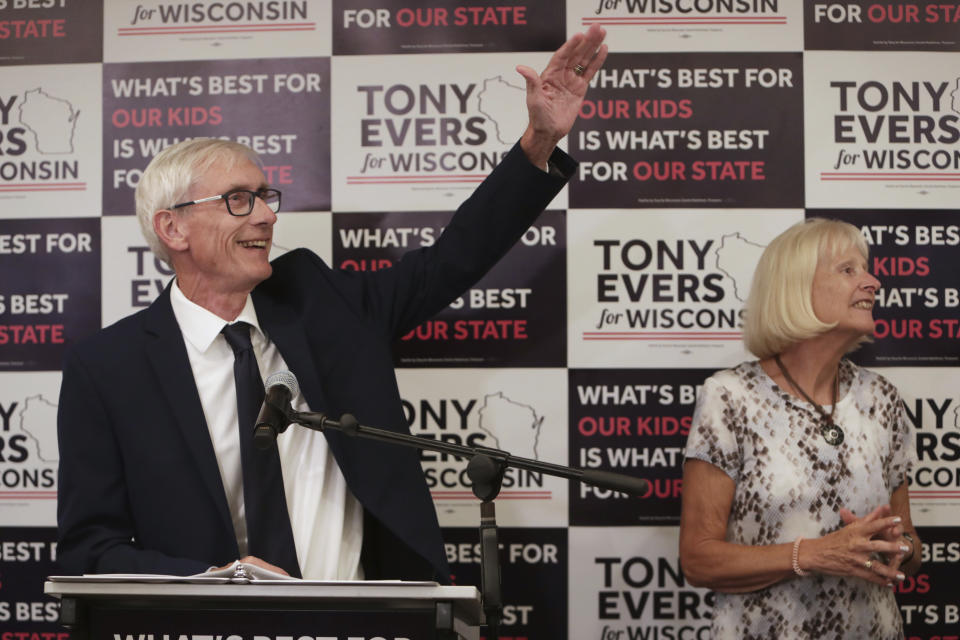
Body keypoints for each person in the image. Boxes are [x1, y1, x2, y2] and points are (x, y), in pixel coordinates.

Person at [56, 26, 608, 581]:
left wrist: (538, 140)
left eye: (266, 197)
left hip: (360, 618)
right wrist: (210, 579)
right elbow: (90, 549)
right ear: (172, 227)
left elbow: (453, 259)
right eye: (238, 200)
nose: (267, 216)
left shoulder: (322, 304)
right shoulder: (107, 369)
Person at [679, 218, 921, 639]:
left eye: (864, 269)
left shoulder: (881, 398)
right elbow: (699, 561)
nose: (873, 282)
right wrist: (813, 554)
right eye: (848, 270)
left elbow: (910, 543)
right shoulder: (730, 397)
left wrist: (896, 549)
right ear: (796, 288)